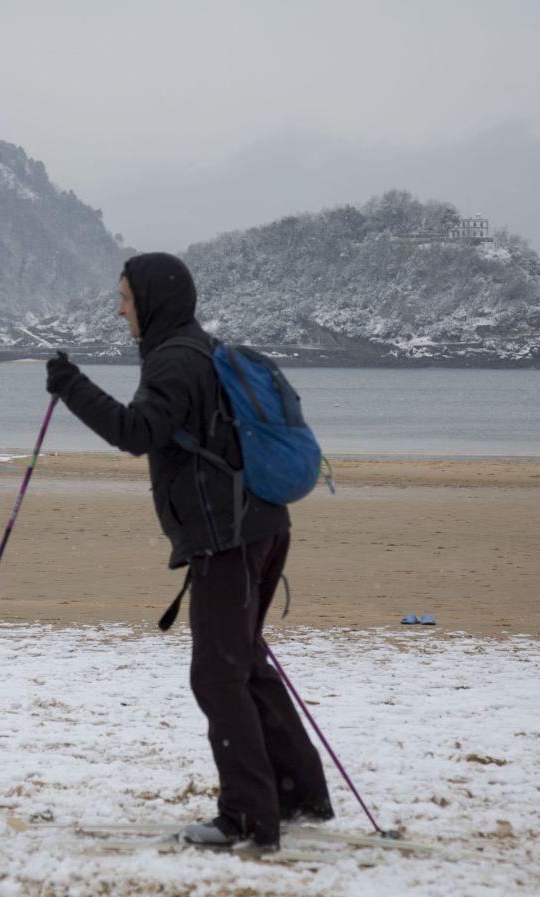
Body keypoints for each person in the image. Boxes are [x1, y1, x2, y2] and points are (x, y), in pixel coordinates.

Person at [45, 253, 332, 852]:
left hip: (229, 538)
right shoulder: (197, 348)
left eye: (125, 297)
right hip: (259, 527)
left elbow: (135, 433)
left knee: (217, 675)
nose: (119, 307)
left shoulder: (175, 360)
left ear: (152, 300)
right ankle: (298, 792)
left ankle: (250, 818)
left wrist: (70, 386)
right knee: (243, 662)